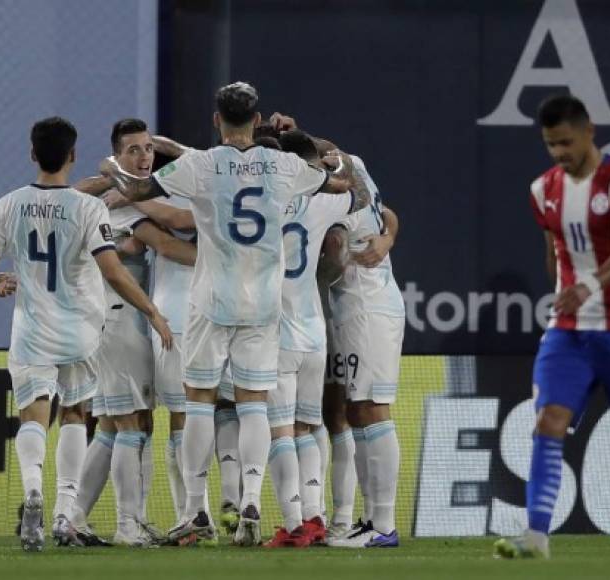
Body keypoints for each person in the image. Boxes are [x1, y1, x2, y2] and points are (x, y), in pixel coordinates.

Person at [98, 81, 351, 546]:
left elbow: (136, 187)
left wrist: (111, 166)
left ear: (217, 120)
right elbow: (338, 181)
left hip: (212, 299)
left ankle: (196, 509)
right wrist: (334, 159)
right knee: (254, 404)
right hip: (263, 303)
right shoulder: (284, 164)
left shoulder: (201, 165)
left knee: (198, 402)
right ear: (257, 120)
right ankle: (251, 499)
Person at [493, 94, 610, 560]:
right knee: (548, 421)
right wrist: (566, 293)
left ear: (588, 131)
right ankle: (537, 535)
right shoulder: (543, 189)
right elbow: (553, 251)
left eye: (565, 142)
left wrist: (586, 286)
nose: (559, 152)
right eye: (550, 145)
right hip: (567, 330)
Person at [0, 116, 172, 552]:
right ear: (73, 155)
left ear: (32, 154)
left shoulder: (7, 205)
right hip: (80, 329)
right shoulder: (88, 208)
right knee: (77, 416)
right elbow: (114, 271)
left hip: (31, 330)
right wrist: (152, 310)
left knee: (33, 417)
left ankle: (32, 493)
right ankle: (64, 515)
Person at [70, 118, 197, 547]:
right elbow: (169, 243)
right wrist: (223, 255)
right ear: (117, 156)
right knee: (133, 424)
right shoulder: (124, 202)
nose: (144, 158)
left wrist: (119, 182)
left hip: (111, 319)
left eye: (147, 149)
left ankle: (74, 518)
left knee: (111, 423)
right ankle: (129, 524)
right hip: (120, 318)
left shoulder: (121, 193)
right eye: (133, 151)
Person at [263, 129, 369, 548]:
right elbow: (359, 197)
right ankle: (317, 516)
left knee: (280, 429)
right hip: (313, 329)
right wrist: (337, 164)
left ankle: (293, 525)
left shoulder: (262, 201)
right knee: (311, 425)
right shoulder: (322, 202)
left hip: (273, 330)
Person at [321, 156, 404, 549]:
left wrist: (323, 265)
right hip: (355, 308)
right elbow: (389, 212)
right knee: (356, 410)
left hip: (367, 306)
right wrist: (387, 236)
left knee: (372, 407)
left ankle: (384, 525)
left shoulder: (335, 201)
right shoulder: (355, 166)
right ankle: (370, 519)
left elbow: (336, 257)